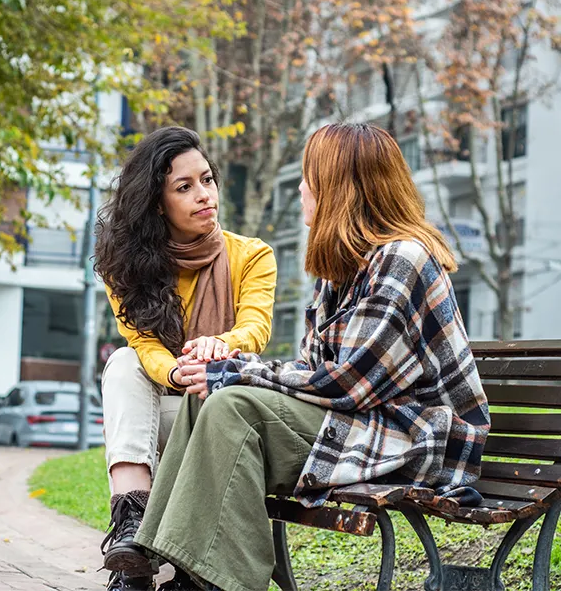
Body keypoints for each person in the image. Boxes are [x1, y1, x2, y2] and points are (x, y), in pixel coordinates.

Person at [132, 122, 491, 591]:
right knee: (213, 396)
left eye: (309, 177)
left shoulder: (403, 258)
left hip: (415, 436)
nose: (302, 187)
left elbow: (345, 383)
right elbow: (311, 370)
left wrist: (237, 369)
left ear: (339, 188)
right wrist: (231, 374)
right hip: (365, 423)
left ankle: (220, 582)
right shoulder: (343, 265)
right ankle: (179, 568)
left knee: (230, 403)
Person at [93, 126, 277, 591]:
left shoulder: (252, 256)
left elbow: (256, 328)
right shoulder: (127, 267)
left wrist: (223, 345)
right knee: (122, 364)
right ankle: (133, 532)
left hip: (219, 414)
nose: (204, 195)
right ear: (158, 204)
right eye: (184, 187)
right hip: (166, 407)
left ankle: (143, 558)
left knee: (202, 405)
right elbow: (144, 347)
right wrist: (176, 369)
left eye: (208, 180)